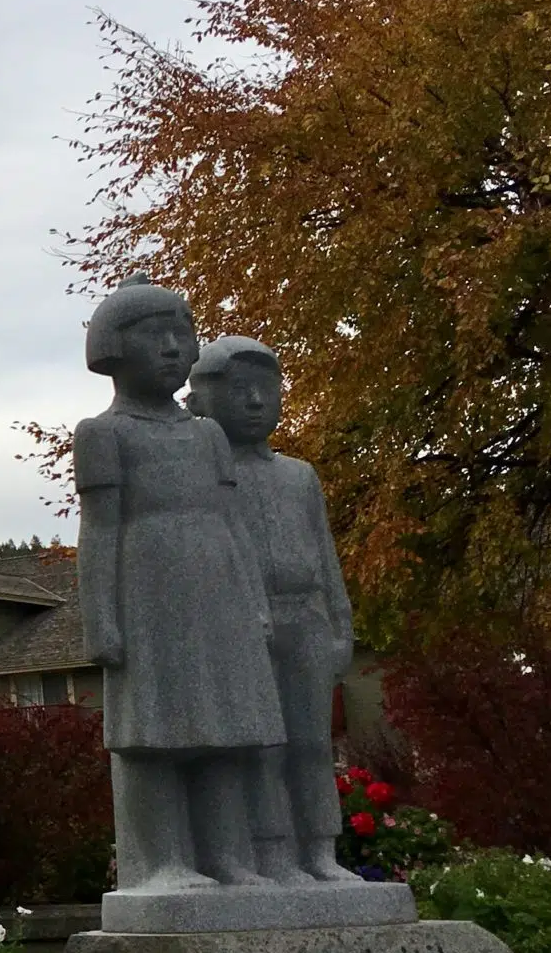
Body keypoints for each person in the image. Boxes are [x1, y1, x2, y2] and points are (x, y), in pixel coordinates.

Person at [74, 275, 284, 892]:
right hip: (147, 591)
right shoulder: (104, 433)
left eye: (181, 333)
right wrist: (102, 620)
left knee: (224, 728)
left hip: (219, 589)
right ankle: (163, 862)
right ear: (113, 347)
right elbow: (100, 531)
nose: (172, 346)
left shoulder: (207, 433)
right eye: (154, 334)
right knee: (154, 733)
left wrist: (254, 600)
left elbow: (233, 524)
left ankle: (227, 857)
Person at [188, 335, 360, 884]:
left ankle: (321, 852)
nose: (256, 402)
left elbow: (325, 557)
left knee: (311, 744)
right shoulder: (208, 476)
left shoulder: (299, 476)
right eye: (240, 391)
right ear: (205, 399)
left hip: (306, 619)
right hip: (244, 626)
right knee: (261, 745)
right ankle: (272, 853)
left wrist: (341, 627)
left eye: (266, 389)